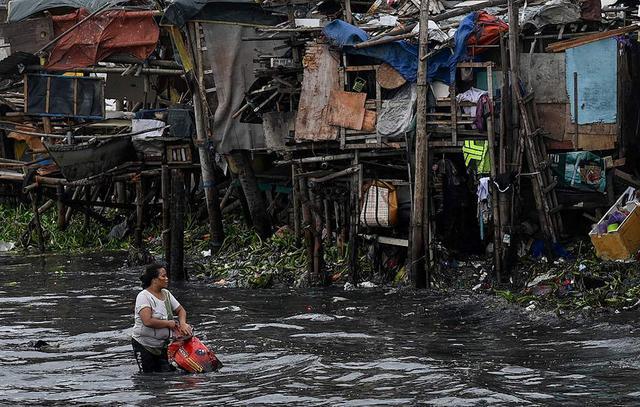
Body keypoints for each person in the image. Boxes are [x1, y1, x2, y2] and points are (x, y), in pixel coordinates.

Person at [132, 264, 193, 373]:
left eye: (166, 276)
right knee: (148, 377)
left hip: (162, 346)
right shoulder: (144, 296)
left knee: (167, 374)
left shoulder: (166, 294)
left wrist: (183, 323)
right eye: (163, 276)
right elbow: (147, 321)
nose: (166, 279)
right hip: (144, 345)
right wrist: (168, 324)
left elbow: (181, 310)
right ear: (154, 280)